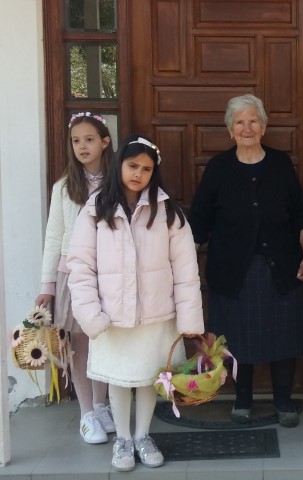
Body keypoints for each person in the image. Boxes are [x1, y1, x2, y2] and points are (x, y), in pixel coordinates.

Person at [67, 135, 205, 472]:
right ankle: (123, 439)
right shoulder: (96, 208)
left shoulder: (167, 211)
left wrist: (189, 320)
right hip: (112, 316)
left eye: (146, 169)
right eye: (132, 166)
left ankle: (143, 435)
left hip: (157, 315)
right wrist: (90, 314)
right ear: (119, 165)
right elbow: (80, 267)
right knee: (118, 378)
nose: (138, 174)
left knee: (148, 377)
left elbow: (186, 269)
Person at [189, 94, 303, 428]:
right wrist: (182, 264)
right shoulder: (218, 168)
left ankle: (283, 401)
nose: (247, 128)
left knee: (283, 338)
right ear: (230, 130)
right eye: (240, 122)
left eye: (253, 121)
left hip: (281, 266)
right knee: (237, 337)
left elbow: (301, 215)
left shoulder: (280, 164)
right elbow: (199, 221)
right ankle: (242, 398)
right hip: (233, 270)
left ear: (264, 126)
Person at [35, 112, 115, 444]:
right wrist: (47, 286)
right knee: (80, 343)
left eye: (89, 139)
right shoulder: (64, 187)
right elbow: (54, 236)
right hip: (74, 275)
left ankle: (101, 404)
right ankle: (86, 413)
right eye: (76, 140)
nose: (82, 146)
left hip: (110, 272)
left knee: (105, 340)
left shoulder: (118, 182)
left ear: (105, 142)